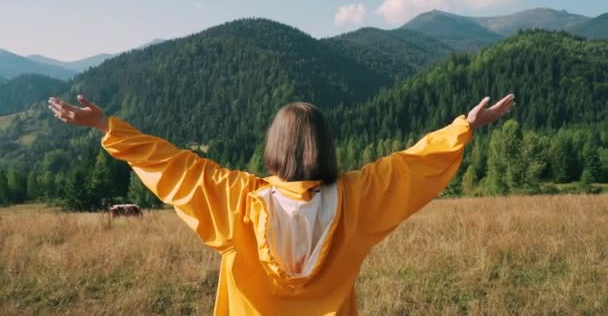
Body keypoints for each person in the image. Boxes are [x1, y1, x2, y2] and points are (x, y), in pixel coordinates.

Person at [48, 93, 514, 315]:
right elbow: (412, 165)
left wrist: (108, 126)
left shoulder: (235, 198)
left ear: (274, 145)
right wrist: (463, 128)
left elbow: (173, 166)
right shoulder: (358, 198)